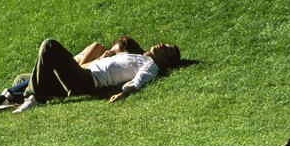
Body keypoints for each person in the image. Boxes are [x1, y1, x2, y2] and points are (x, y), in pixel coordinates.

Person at [0, 36, 145, 113]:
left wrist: (100, 59)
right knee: (22, 78)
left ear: (124, 54)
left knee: (49, 45)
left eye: (114, 53)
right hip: (70, 76)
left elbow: (82, 68)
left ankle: (14, 98)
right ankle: (10, 102)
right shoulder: (103, 56)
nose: (110, 53)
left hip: (76, 80)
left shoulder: (118, 64)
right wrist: (100, 58)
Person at [11, 38, 180, 114]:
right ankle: (5, 100)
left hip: (87, 80)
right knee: (23, 78)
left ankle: (34, 98)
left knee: (49, 45)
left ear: (165, 61)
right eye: (165, 44)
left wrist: (124, 92)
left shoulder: (151, 66)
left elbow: (139, 80)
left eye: (166, 49)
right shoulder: (140, 56)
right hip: (83, 74)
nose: (162, 45)